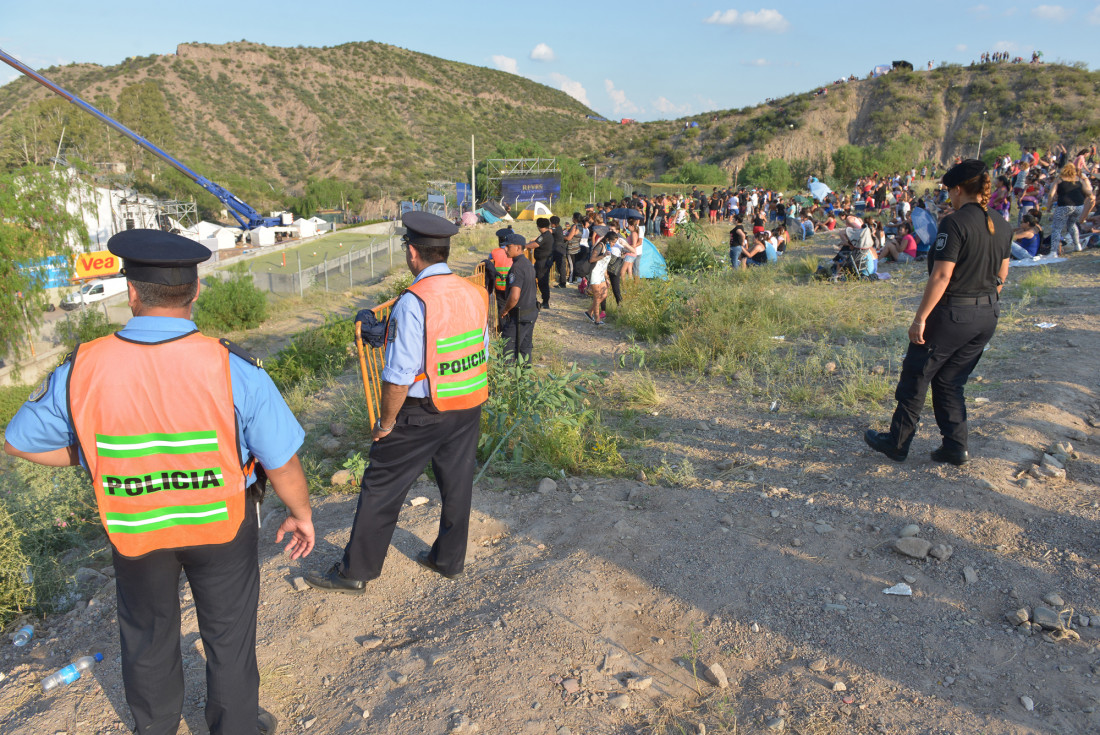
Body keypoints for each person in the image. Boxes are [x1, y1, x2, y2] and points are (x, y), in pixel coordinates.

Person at [3, 229, 314, 735]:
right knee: (229, 635)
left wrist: (94, 457)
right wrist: (300, 515)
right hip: (221, 526)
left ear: (131, 293)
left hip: (135, 527)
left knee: (147, 636)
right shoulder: (232, 367)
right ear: (194, 292)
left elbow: (18, 441)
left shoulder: (83, 367)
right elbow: (281, 461)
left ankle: (156, 727)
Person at [305, 212, 488, 593]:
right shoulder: (473, 292)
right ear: (444, 250)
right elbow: (479, 349)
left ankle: (356, 571)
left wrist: (387, 424)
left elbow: (399, 375)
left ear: (412, 253)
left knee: (382, 488)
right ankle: (448, 560)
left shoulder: (415, 301)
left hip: (421, 413)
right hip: (467, 403)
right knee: (457, 486)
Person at [864, 160, 1011, 466]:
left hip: (953, 314)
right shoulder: (1001, 222)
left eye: (949, 191)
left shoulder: (955, 223)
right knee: (950, 381)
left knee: (917, 376)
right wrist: (985, 302)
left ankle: (897, 442)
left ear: (959, 189)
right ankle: (955, 446)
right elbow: (1002, 274)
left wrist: (921, 318)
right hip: (986, 314)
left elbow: (942, 276)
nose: (949, 197)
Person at [498, 233, 538, 363]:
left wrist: (505, 309)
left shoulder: (517, 268)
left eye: (508, 246)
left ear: (518, 248)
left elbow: (514, 297)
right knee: (524, 350)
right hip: (530, 312)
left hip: (519, 316)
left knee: (507, 349)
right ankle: (524, 379)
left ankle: (507, 379)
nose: (505, 249)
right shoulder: (527, 263)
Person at [1046, 163, 1095, 255]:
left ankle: (1053, 251)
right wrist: (1092, 196)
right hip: (1078, 206)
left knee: (1057, 228)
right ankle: (1078, 246)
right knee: (1072, 224)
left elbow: (1050, 194)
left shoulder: (1059, 180)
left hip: (1064, 206)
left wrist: (1048, 206)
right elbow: (1088, 192)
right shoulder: (1079, 180)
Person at [527, 217, 554, 308]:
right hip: (543, 261)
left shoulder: (545, 235)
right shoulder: (546, 234)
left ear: (539, 226)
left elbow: (535, 244)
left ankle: (545, 302)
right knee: (537, 279)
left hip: (543, 262)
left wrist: (524, 245)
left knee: (542, 281)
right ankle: (541, 300)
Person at [486, 227, 514, 313]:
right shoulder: (513, 251)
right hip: (511, 284)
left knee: (501, 307)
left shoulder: (494, 252)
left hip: (498, 284)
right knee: (512, 306)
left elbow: (489, 263)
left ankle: (502, 325)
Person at [549, 215, 569, 288]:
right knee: (561, 266)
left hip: (558, 249)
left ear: (553, 223)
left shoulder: (556, 229)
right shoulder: (559, 228)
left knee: (560, 266)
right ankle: (562, 282)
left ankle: (563, 283)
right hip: (560, 248)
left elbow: (550, 231)